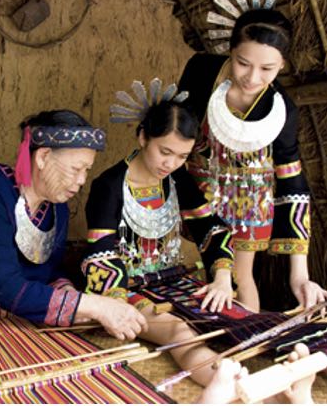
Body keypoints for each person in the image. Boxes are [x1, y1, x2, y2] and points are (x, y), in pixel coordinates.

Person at [0, 110, 148, 383]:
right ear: (43, 157)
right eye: (76, 169)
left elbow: (47, 274)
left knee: (65, 374)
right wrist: (93, 306)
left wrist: (73, 296)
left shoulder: (57, 208)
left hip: (11, 311)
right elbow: (6, 286)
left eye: (86, 171)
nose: (82, 180)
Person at [82, 82, 238, 387]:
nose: (172, 164)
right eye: (165, 151)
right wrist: (116, 306)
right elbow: (101, 255)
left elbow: (211, 229)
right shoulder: (109, 185)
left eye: (182, 156)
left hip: (174, 282)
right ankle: (226, 384)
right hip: (127, 291)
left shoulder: (178, 178)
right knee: (179, 331)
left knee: (236, 318)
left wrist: (221, 277)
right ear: (142, 136)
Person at [178, 8, 327, 313]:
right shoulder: (201, 73)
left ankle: (245, 346)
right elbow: (175, 128)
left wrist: (300, 275)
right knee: (188, 269)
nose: (252, 77)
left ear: (282, 65)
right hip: (194, 188)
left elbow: (292, 181)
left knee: (238, 276)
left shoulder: (283, 109)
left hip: (248, 202)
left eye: (267, 69)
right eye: (243, 63)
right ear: (230, 50)